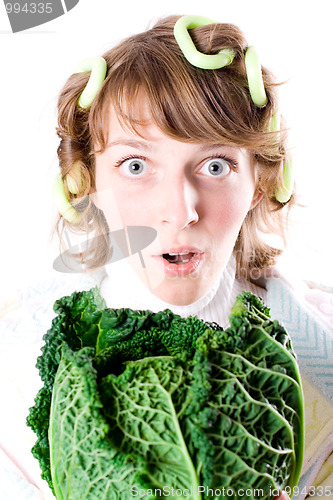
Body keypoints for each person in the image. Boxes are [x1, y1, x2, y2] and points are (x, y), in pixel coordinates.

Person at [1, 14, 332, 500]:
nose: (180, 213)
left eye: (215, 165)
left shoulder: (320, 340)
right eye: (135, 165)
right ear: (87, 182)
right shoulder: (12, 364)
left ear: (259, 181)